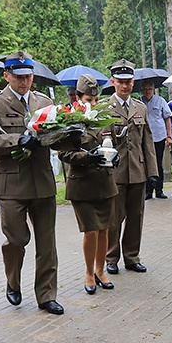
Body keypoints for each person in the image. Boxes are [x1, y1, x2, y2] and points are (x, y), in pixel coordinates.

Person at [0, 51, 64, 315]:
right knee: (16, 239)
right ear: (7, 75)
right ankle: (13, 280)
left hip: (42, 180)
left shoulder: (44, 101)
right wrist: (15, 141)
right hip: (12, 184)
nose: (24, 82)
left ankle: (46, 294)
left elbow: (56, 134)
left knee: (47, 242)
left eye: (28, 76)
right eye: (18, 77)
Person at [57, 74, 117, 294]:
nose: (92, 104)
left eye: (94, 100)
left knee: (104, 230)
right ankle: (89, 273)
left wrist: (115, 156)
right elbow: (63, 153)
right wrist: (86, 158)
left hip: (105, 182)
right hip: (82, 184)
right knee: (90, 230)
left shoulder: (104, 117)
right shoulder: (70, 120)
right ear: (78, 98)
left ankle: (101, 271)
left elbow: (116, 141)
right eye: (87, 100)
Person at [104, 59, 157, 275]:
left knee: (136, 217)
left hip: (137, 170)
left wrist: (153, 172)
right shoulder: (105, 108)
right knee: (114, 218)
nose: (125, 86)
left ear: (133, 83)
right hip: (115, 172)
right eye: (120, 81)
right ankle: (111, 257)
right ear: (113, 82)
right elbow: (102, 141)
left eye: (128, 82)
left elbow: (148, 141)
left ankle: (132, 256)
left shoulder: (140, 107)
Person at [140, 81, 172, 200]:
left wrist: (169, 136)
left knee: (158, 163)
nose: (148, 91)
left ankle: (159, 189)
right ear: (142, 90)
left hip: (159, 136)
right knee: (146, 163)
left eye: (150, 89)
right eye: (145, 89)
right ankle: (148, 190)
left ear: (153, 89)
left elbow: (167, 119)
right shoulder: (139, 102)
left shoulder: (161, 101)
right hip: (144, 138)